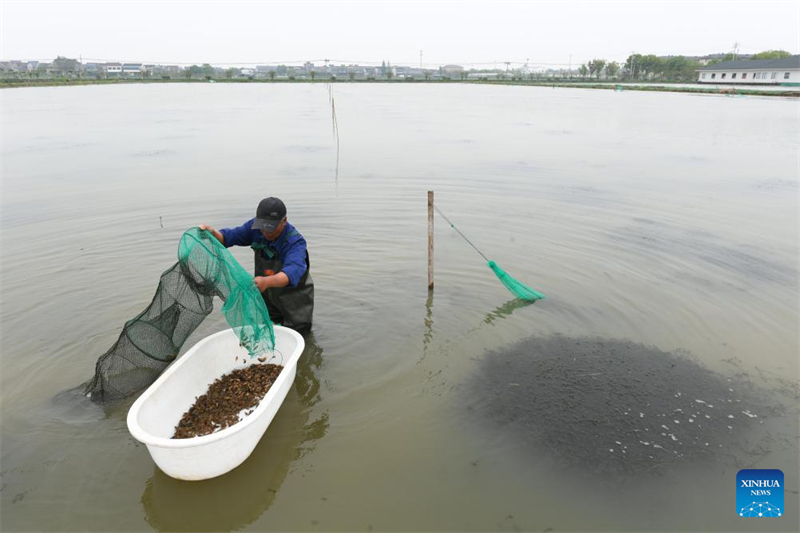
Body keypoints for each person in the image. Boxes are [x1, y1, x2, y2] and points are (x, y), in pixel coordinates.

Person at [200, 197, 313, 333]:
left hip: (295, 301)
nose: (266, 232)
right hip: (269, 297)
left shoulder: (295, 242)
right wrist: (213, 234)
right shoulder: (254, 228)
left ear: (284, 221)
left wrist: (266, 282)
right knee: (270, 329)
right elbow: (227, 237)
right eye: (262, 227)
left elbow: (292, 271)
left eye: (270, 228)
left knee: (299, 334)